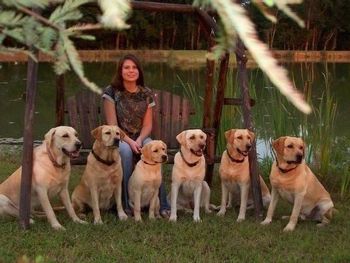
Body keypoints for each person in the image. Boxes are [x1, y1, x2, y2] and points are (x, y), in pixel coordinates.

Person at [102, 54, 171, 218]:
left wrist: (139, 140)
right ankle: (127, 205)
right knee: (125, 152)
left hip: (140, 136)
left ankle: (162, 205)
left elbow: (148, 125)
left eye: (134, 67)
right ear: (120, 70)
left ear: (139, 71)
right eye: (126, 67)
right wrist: (131, 142)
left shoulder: (146, 93)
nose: (131, 71)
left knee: (155, 148)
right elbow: (113, 126)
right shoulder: (111, 91)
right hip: (119, 137)